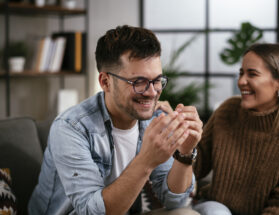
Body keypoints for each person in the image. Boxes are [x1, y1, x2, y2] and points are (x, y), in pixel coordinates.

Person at [28, 25, 203, 215]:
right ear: (105, 82)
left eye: (157, 80)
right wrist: (146, 160)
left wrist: (185, 153)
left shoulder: (154, 120)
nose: (153, 92)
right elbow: (92, 212)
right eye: (139, 82)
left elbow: (174, 201)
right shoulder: (71, 128)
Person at [193, 43, 279, 215]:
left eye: (252, 74)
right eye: (241, 73)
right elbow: (196, 167)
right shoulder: (227, 111)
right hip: (214, 209)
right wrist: (185, 146)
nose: (241, 81)